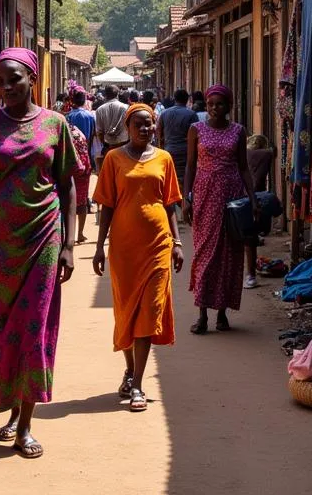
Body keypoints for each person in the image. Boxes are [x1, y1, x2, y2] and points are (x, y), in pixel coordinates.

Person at [0, 47, 77, 460]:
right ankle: (10, 407)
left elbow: (68, 186)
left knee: (35, 328)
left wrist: (69, 246)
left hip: (44, 238)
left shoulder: (55, 125)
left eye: (14, 80)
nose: (6, 88)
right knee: (1, 330)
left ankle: (25, 423)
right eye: (0, 82)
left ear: (32, 80)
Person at [92, 104, 184, 412]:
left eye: (149, 124)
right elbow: (106, 205)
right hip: (124, 248)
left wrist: (177, 241)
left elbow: (170, 203)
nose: (145, 129)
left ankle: (139, 386)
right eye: (139, 125)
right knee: (126, 312)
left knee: (150, 311)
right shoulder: (114, 159)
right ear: (128, 126)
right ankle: (130, 369)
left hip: (157, 245)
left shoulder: (164, 159)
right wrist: (98, 246)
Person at [182, 85, 259, 332]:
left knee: (230, 254)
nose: (215, 108)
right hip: (205, 195)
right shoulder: (196, 129)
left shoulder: (238, 131)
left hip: (232, 197)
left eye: (220, 104)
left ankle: (223, 313)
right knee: (205, 253)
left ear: (229, 106)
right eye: (211, 104)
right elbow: (190, 166)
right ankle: (202, 313)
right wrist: (186, 198)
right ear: (206, 105)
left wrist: (252, 197)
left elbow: (244, 167)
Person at [156, 89, 199, 205]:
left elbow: (158, 133)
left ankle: (172, 205)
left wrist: (161, 149)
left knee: (170, 179)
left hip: (169, 151)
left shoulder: (164, 113)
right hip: (186, 152)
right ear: (187, 100)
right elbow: (196, 136)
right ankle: (184, 204)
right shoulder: (191, 114)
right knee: (187, 179)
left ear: (174, 99)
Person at [68, 121, 93, 245]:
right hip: (84, 170)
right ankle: (80, 233)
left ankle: (70, 235)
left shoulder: (62, 132)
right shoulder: (78, 132)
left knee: (68, 203)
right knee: (82, 202)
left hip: (70, 171)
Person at [95, 84, 129, 173]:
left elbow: (99, 132)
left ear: (105, 95)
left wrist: (105, 144)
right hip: (124, 147)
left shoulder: (99, 110)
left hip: (108, 147)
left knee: (109, 173)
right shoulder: (126, 108)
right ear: (118, 94)